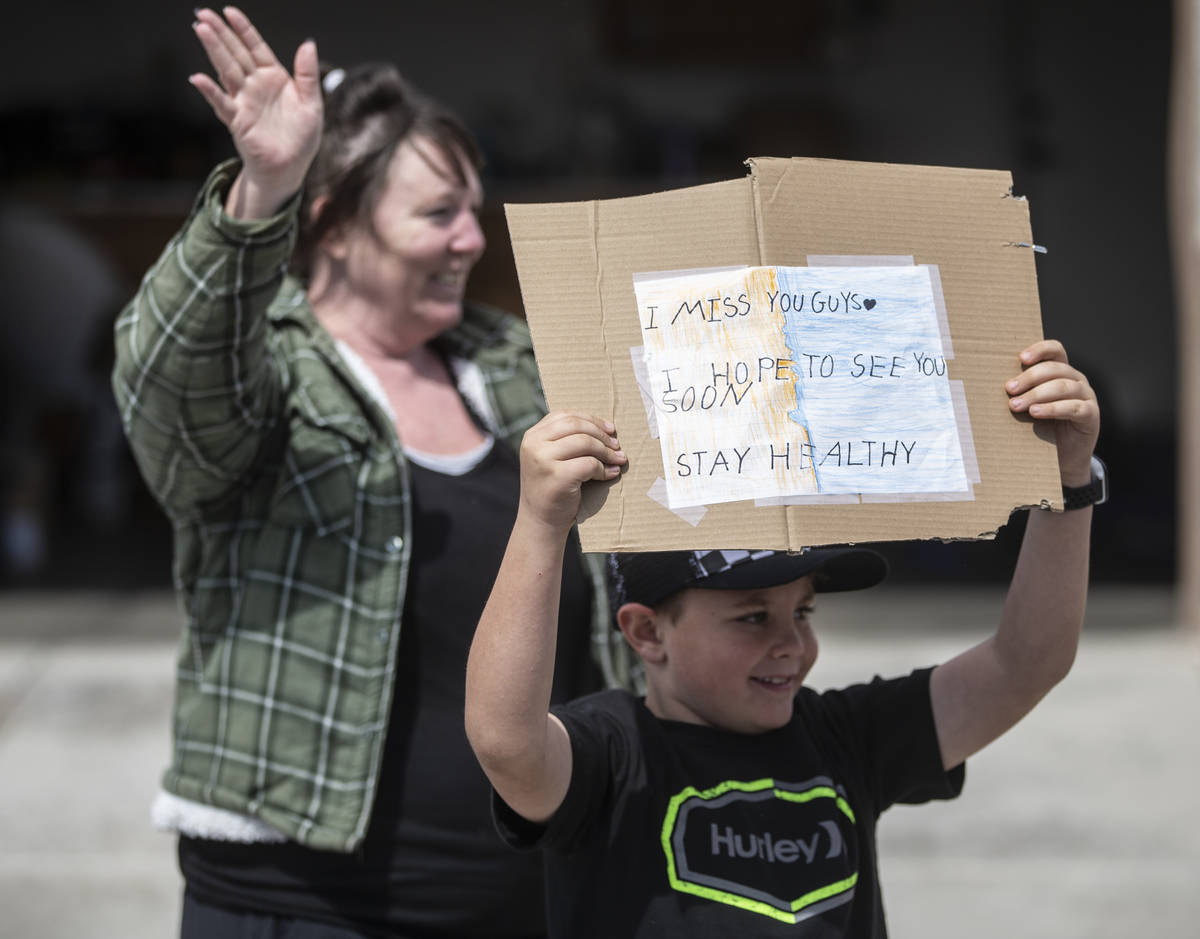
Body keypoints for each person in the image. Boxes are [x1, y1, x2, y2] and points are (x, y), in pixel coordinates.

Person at [112, 7, 630, 937]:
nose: (472, 239)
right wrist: (261, 188)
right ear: (337, 229)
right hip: (299, 907)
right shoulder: (262, 367)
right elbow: (166, 379)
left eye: (473, 210)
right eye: (439, 213)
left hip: (529, 896)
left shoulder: (511, 365)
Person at [465, 339, 1102, 937]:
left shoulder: (846, 737)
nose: (791, 645)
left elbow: (1027, 662)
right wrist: (541, 520)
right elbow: (504, 740)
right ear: (647, 631)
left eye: (803, 612)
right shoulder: (612, 756)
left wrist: (1071, 484)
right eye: (752, 617)